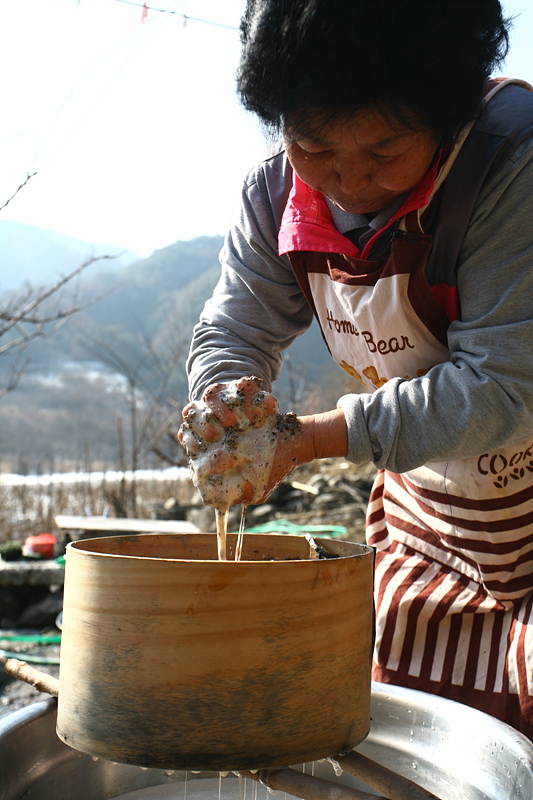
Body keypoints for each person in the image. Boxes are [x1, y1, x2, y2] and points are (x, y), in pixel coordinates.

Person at [178, 0, 533, 740]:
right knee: (425, 741)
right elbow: (234, 326)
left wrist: (307, 437)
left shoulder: (510, 163)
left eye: (382, 152)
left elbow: (504, 387)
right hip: (435, 526)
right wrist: (225, 400)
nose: (348, 181)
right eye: (314, 147)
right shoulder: (275, 193)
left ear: (446, 114)